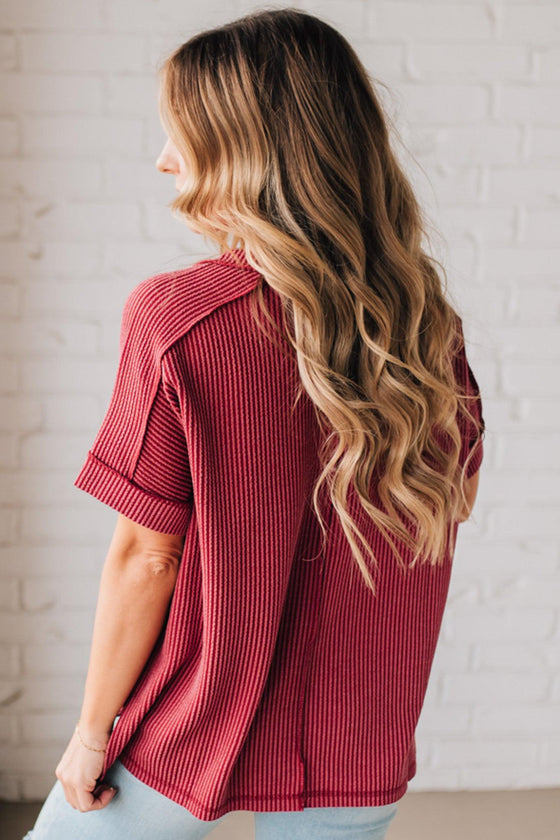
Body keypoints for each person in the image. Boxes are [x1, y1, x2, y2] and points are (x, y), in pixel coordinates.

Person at [23, 7, 485, 840]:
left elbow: (147, 554)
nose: (163, 160)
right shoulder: (424, 326)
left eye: (181, 136)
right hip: (360, 735)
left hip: (194, 724)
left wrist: (91, 737)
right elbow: (450, 508)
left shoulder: (179, 317)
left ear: (246, 154)